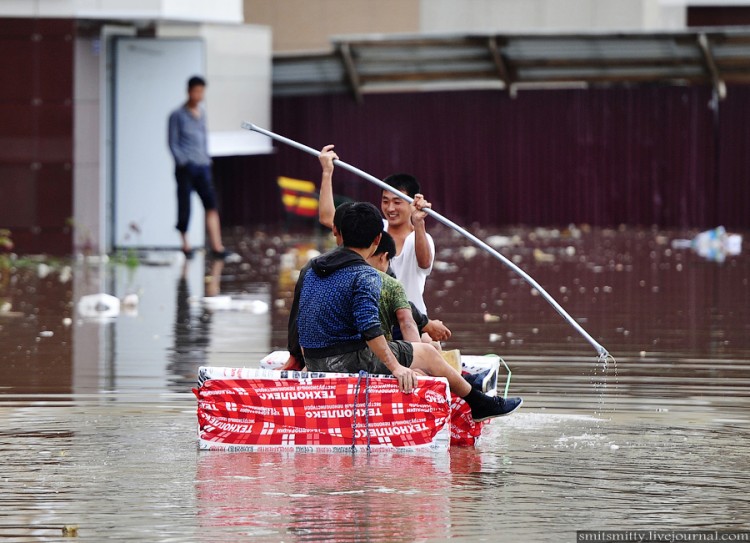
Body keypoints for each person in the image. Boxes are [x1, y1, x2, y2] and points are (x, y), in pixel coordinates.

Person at [298, 201, 522, 421]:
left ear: (340, 234)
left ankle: (469, 386)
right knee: (427, 353)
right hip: (343, 362)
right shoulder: (365, 275)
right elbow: (369, 327)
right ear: (377, 239)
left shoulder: (314, 267)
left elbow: (302, 319)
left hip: (314, 360)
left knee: (415, 351)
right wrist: (396, 368)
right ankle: (479, 404)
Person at [318, 145, 434, 315]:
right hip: (372, 316)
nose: (390, 208)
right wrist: (327, 172)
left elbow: (424, 263)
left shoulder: (421, 236)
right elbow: (328, 218)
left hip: (412, 319)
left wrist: (418, 222)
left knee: (430, 342)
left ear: (412, 203)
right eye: (385, 201)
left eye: (397, 202)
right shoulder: (372, 226)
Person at [167, 76, 239, 262]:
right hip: (186, 168)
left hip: (203, 166)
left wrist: (206, 159)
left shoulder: (202, 113)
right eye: (196, 91)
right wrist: (183, 162)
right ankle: (186, 245)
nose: (199, 95)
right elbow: (173, 143)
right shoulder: (177, 115)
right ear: (189, 91)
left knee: (211, 204)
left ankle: (217, 246)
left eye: (201, 91)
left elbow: (204, 138)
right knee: (185, 207)